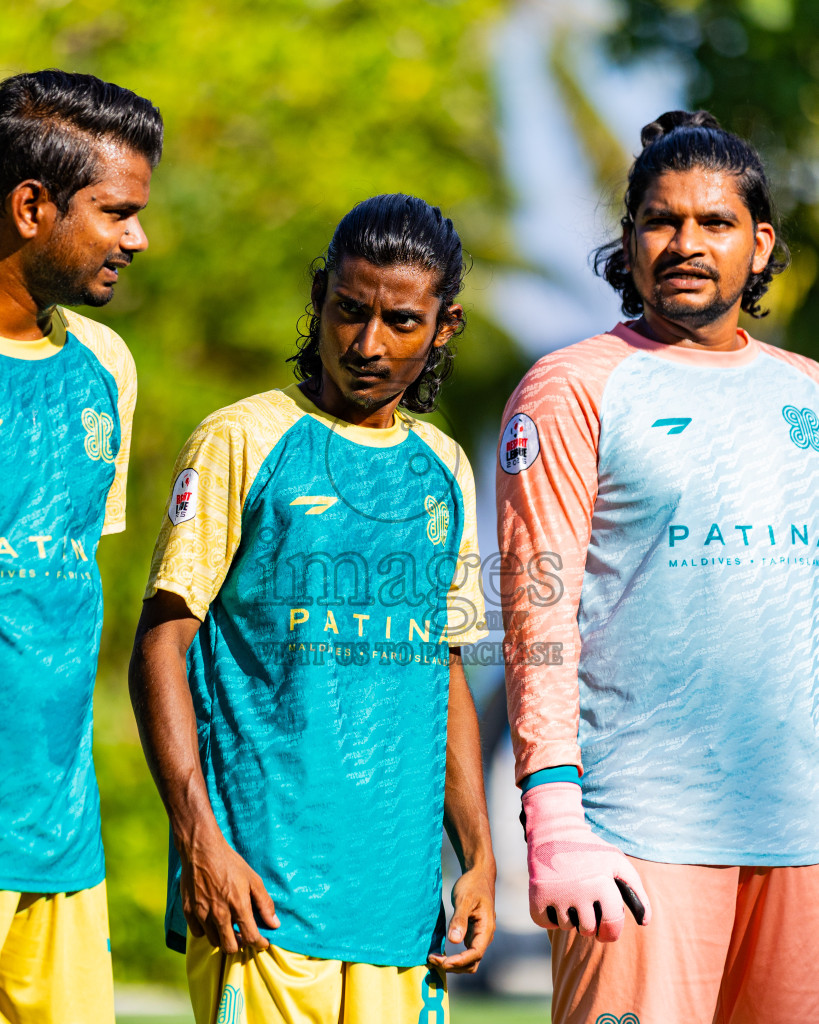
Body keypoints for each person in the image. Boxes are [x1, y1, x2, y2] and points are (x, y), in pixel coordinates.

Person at [129, 194, 496, 1024]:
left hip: (401, 908)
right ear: (319, 295)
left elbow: (442, 669)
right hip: (260, 893)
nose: (367, 344)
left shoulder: (441, 465)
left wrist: (476, 854)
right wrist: (199, 841)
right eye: (347, 311)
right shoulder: (243, 438)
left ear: (445, 327)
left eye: (400, 321)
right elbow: (160, 646)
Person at [497, 109, 819, 1024]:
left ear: (758, 246)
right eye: (658, 220)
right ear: (628, 241)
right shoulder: (570, 387)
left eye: (713, 223)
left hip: (801, 838)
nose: (685, 243)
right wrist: (553, 813)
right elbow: (534, 612)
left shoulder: (807, 392)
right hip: (635, 838)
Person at [0, 70, 162, 1023]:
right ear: (31, 206)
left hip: (61, 839)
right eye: (116, 212)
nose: (137, 238)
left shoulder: (106, 366)